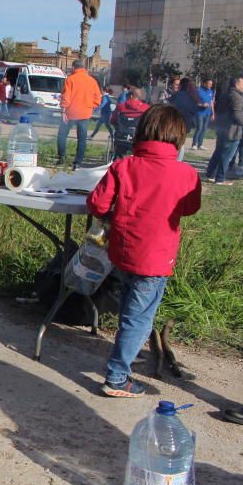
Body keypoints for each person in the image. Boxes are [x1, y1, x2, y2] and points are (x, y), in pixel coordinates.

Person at [87, 104, 201, 397]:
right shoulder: (186, 174)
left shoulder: (123, 166)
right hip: (156, 259)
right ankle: (117, 377)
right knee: (139, 317)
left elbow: (97, 205)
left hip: (123, 253)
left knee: (129, 309)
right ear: (178, 138)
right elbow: (190, 208)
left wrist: (113, 216)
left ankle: (129, 350)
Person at [57, 59, 101, 167]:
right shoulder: (92, 81)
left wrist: (63, 111)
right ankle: (78, 162)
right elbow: (98, 99)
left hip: (70, 113)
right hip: (85, 114)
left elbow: (66, 96)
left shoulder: (70, 79)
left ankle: (62, 158)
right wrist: (89, 106)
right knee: (82, 139)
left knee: (62, 135)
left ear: (73, 68)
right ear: (84, 68)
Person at [205, 76, 243, 185]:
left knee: (218, 152)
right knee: (226, 156)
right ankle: (220, 179)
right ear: (236, 84)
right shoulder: (236, 96)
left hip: (222, 129)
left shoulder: (225, 94)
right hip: (232, 131)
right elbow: (237, 115)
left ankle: (210, 174)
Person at [192, 78, 215, 149]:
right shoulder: (199, 91)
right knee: (199, 128)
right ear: (205, 84)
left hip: (208, 113)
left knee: (204, 129)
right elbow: (195, 102)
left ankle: (200, 144)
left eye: (211, 84)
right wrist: (202, 105)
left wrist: (213, 113)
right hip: (200, 113)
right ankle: (194, 144)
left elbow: (211, 103)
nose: (210, 85)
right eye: (209, 84)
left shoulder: (211, 91)